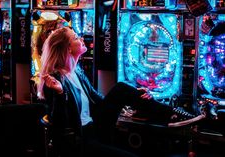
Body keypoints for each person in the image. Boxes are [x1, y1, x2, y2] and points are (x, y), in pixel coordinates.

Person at [37, 27, 205, 157]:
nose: (81, 39)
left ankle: (172, 114)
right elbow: (59, 123)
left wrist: (132, 97)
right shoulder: (54, 80)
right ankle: (173, 115)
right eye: (75, 38)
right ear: (68, 49)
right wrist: (59, 93)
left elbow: (100, 100)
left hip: (95, 125)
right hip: (81, 139)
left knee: (121, 88)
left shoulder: (77, 71)